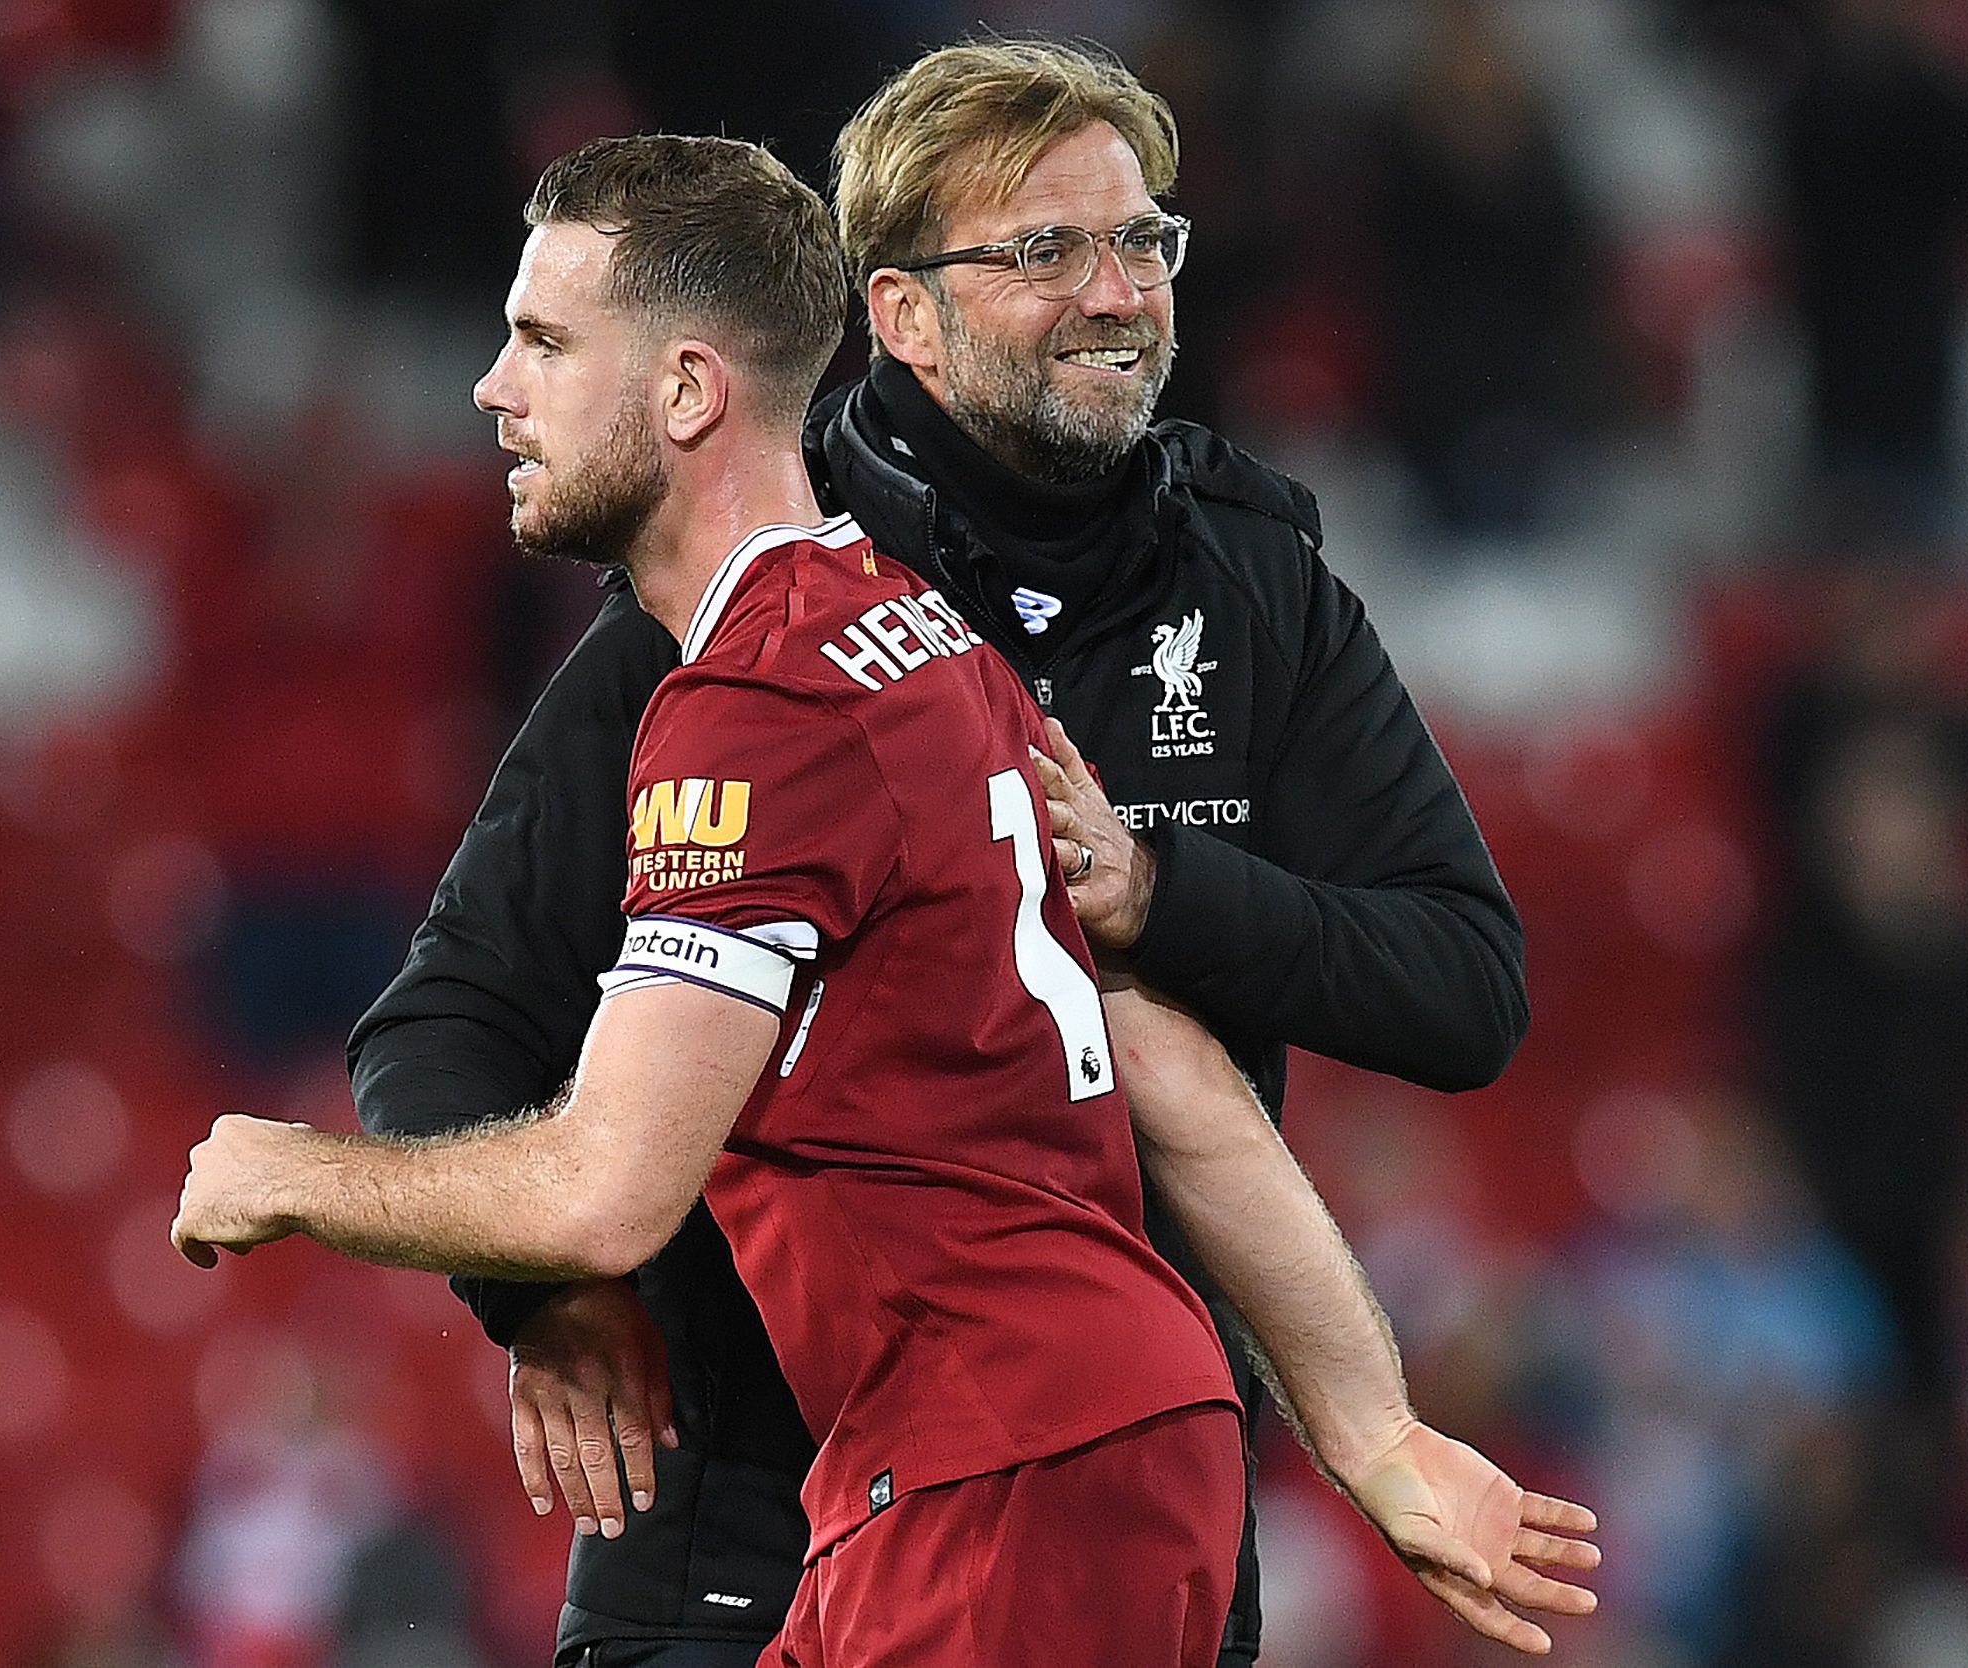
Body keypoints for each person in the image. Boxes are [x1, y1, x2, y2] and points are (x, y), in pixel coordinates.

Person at [170, 132, 1595, 1668]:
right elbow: (1164, 1068)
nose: (493, 389)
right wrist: (1375, 1432)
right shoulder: (926, 644)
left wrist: (292, 1175)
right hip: (1065, 1446)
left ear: (688, 392)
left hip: (1000, 1475)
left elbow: (606, 1191)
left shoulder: (759, 709)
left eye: (545, 343)